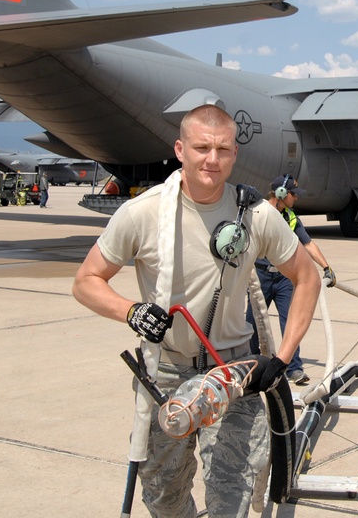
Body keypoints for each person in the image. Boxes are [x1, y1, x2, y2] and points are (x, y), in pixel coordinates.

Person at [72, 104, 320, 518]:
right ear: (180, 150)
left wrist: (279, 358)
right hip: (166, 373)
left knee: (234, 495)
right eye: (202, 147)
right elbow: (86, 281)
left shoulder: (255, 215)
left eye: (223, 149)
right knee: (163, 497)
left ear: (235, 155)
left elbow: (307, 277)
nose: (212, 159)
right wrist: (130, 310)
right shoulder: (142, 213)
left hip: (233, 373)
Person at [246, 174, 335, 386]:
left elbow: (308, 244)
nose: (296, 198)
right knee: (252, 324)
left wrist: (326, 267)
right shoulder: (258, 213)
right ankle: (251, 364)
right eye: (293, 194)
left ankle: (293, 368)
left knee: (291, 323)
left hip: (285, 277)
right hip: (260, 276)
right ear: (281, 194)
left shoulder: (291, 217)